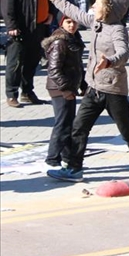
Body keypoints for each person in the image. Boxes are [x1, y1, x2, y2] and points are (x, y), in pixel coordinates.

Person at [42, 0, 129, 182]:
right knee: (79, 128)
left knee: (126, 129)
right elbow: (74, 11)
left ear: (109, 9)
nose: (93, 5)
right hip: (94, 88)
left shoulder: (117, 30)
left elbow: (124, 53)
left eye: (98, 3)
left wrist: (110, 61)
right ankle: (74, 168)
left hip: (113, 89)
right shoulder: (95, 22)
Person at [2, 0, 50, 107]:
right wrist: (11, 25)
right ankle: (11, 94)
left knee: (32, 61)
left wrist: (51, 12)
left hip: (38, 27)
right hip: (21, 28)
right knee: (15, 63)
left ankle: (27, 92)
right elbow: (7, 4)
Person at [42, 15, 86, 167]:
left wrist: (83, 84)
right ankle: (53, 158)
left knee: (68, 123)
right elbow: (54, 69)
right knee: (62, 123)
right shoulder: (60, 41)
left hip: (68, 86)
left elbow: (78, 65)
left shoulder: (73, 39)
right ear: (62, 23)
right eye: (68, 22)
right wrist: (66, 89)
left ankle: (68, 158)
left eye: (74, 22)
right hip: (59, 88)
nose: (72, 25)